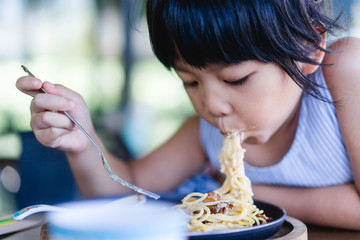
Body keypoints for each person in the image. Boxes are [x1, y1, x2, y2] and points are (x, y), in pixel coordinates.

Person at [16, 0, 360, 230]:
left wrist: (237, 194)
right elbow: (122, 194)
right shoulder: (207, 132)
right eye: (190, 82)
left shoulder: (344, 70)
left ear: (307, 49)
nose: (211, 105)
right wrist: (81, 140)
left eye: (235, 79)